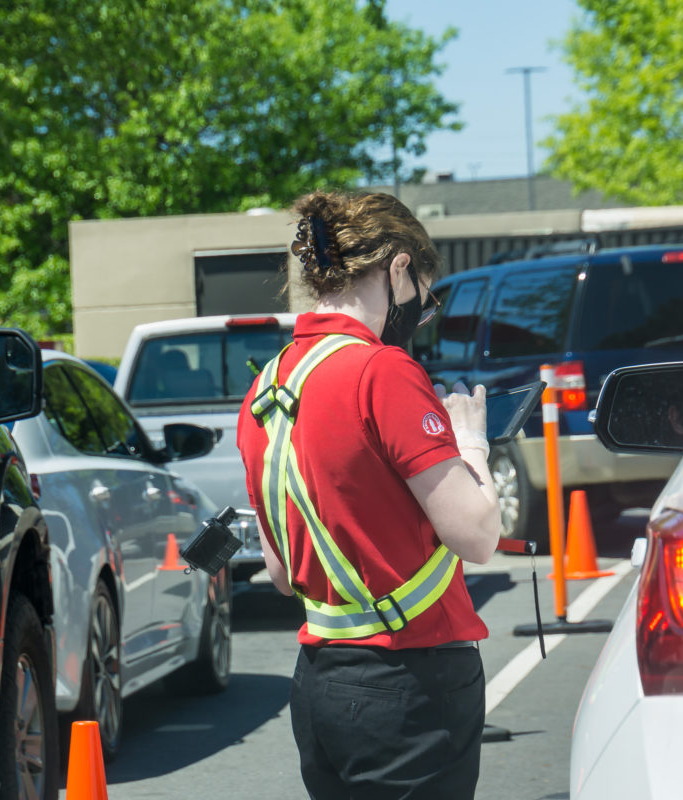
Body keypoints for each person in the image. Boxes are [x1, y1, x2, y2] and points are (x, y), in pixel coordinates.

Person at [236, 190, 501, 799]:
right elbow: (478, 535)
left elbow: (282, 574)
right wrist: (471, 444)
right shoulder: (382, 370)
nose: (419, 311)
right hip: (412, 679)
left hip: (320, 684)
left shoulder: (267, 387)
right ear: (399, 268)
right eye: (422, 294)